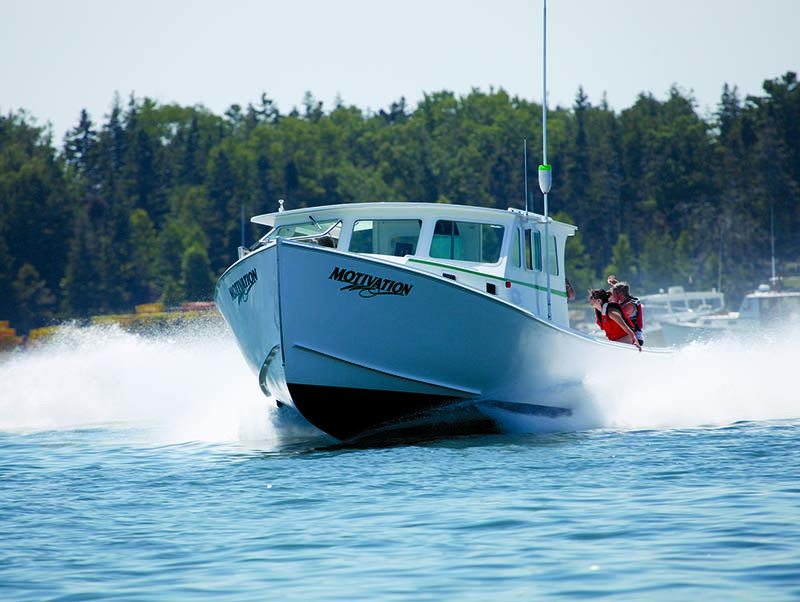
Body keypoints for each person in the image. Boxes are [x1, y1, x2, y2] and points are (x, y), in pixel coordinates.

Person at [611, 281, 644, 347]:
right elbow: (624, 289)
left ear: (620, 293)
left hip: (635, 337)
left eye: (614, 294)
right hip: (628, 336)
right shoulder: (626, 300)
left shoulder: (629, 305)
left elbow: (615, 316)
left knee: (612, 345)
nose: (612, 296)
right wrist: (616, 284)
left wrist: (615, 300)